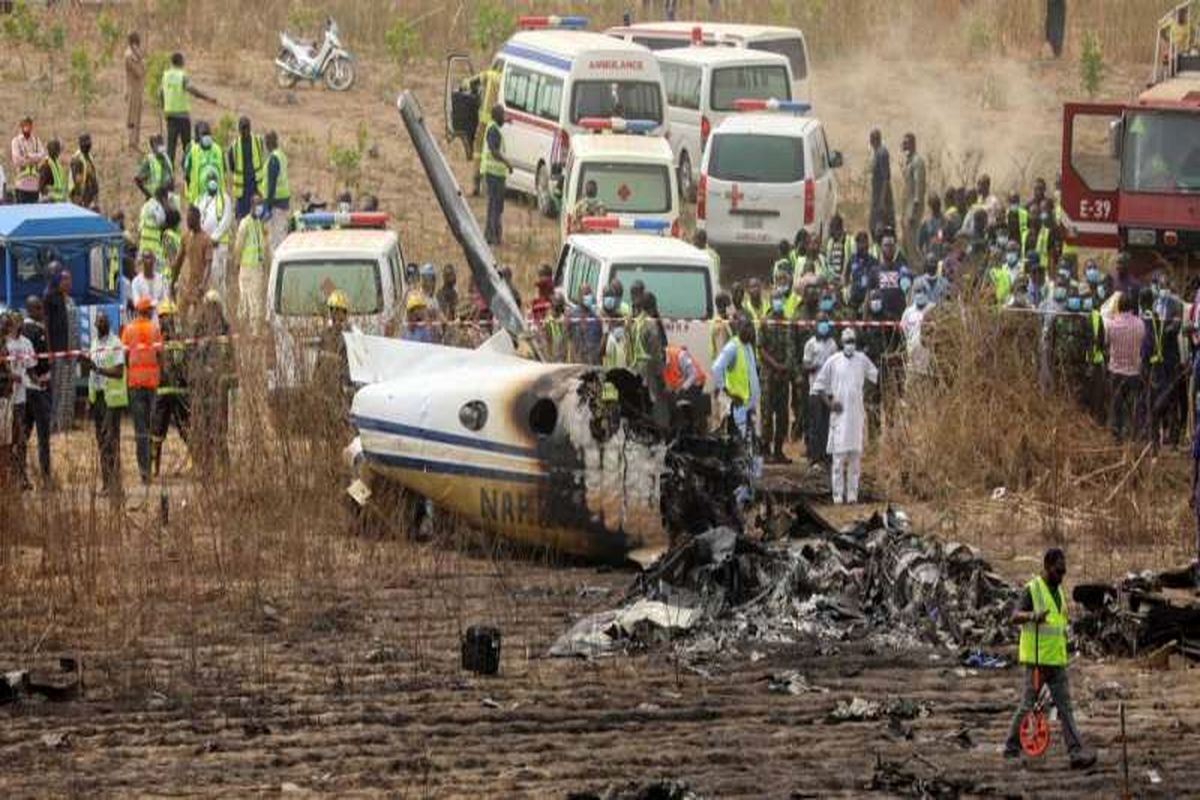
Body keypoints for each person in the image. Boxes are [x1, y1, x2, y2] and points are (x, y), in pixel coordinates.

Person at [1004, 548, 1095, 767]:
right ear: (1047, 567)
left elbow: (1058, 624)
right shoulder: (1032, 589)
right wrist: (1032, 615)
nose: (1061, 576)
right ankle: (1011, 748)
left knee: (1065, 709)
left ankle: (1076, 753)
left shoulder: (1059, 592)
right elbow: (1014, 616)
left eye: (1063, 572)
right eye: (1057, 571)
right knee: (1027, 706)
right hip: (1037, 662)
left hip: (1056, 662)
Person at [813, 328, 879, 505]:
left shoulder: (862, 360)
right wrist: (830, 404)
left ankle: (852, 496)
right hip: (839, 417)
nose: (850, 344)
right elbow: (819, 386)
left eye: (852, 341)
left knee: (855, 459)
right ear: (842, 342)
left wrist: (864, 393)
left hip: (856, 415)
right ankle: (837, 496)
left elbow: (875, 376)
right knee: (838, 459)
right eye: (847, 341)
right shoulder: (833, 362)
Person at [711, 317, 761, 505]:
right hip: (739, 409)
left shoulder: (748, 346)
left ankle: (751, 491)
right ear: (740, 328)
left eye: (752, 327)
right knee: (742, 451)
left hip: (751, 408)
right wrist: (727, 392)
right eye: (747, 326)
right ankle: (740, 497)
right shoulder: (733, 347)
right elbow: (716, 368)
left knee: (754, 450)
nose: (751, 330)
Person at [190, 291, 234, 477]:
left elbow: (231, 356)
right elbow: (191, 354)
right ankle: (205, 468)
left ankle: (224, 468)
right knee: (202, 428)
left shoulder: (225, 328)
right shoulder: (198, 327)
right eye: (210, 306)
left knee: (220, 428)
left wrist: (231, 378)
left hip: (219, 385)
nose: (212, 310)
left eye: (215, 306)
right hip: (202, 384)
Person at [122, 296, 162, 484]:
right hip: (151, 384)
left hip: (135, 385)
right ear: (146, 311)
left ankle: (144, 472)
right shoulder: (155, 329)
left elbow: (124, 355)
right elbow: (160, 354)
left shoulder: (128, 329)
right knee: (150, 426)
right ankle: (150, 467)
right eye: (151, 309)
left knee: (140, 429)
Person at [85, 311, 125, 495]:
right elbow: (92, 374)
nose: (102, 323)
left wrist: (98, 369)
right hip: (98, 398)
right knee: (101, 442)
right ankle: (106, 484)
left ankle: (116, 484)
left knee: (111, 441)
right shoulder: (93, 344)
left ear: (109, 323)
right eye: (99, 321)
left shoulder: (115, 343)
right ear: (94, 324)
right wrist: (89, 399)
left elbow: (119, 372)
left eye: (105, 320)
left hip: (112, 399)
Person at [161, 52, 217, 168]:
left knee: (170, 148)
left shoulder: (165, 76)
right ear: (181, 62)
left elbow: (160, 94)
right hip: (182, 117)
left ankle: (169, 176)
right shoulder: (182, 76)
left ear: (172, 62)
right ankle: (189, 172)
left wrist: (165, 108)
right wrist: (208, 98)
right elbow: (192, 90)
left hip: (170, 116)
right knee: (187, 148)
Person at [1104, 291, 1146, 442]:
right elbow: (1142, 344)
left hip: (1115, 370)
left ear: (1119, 306)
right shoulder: (1140, 324)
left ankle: (1117, 435)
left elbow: (1106, 343)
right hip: (1134, 372)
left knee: (1116, 404)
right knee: (1131, 406)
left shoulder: (1111, 324)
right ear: (1133, 306)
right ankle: (1132, 434)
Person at [760, 289, 793, 463]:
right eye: (775, 299)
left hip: (783, 376)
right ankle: (765, 450)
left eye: (781, 299)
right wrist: (776, 365)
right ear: (771, 301)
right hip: (768, 375)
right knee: (767, 414)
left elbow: (791, 347)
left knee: (782, 415)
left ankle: (779, 451)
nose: (778, 302)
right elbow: (761, 349)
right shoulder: (765, 322)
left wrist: (786, 366)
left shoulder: (787, 322)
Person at [20, 297, 51, 486]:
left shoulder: (20, 332)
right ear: (31, 310)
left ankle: (20, 476)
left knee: (23, 434)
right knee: (43, 436)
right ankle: (46, 478)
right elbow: (42, 362)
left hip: (24, 391)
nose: (42, 312)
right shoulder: (36, 331)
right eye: (39, 308)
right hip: (38, 388)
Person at [43, 266, 78, 433]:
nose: (68, 282)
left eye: (70, 279)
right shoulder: (51, 298)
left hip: (72, 351)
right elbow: (47, 326)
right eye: (65, 279)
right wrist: (50, 351)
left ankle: (67, 421)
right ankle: (55, 424)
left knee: (70, 387)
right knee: (58, 388)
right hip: (59, 350)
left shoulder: (71, 301)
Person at [3, 311, 35, 489]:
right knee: (7, 441)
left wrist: (38, 382)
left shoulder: (26, 343)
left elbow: (30, 368)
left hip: (21, 398)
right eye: (15, 321)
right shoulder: (4, 342)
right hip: (5, 400)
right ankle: (8, 478)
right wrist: (9, 375)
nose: (18, 324)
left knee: (21, 439)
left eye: (20, 321)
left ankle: (21, 476)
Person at [802, 314, 837, 467]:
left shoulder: (832, 344)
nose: (823, 326)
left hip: (829, 390)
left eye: (825, 323)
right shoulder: (810, 344)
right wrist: (814, 366)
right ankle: (814, 457)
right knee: (815, 424)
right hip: (815, 390)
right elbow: (805, 365)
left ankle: (825, 456)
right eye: (820, 322)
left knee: (827, 424)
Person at [195, 167, 233, 301]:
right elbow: (196, 220)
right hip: (204, 247)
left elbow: (226, 221)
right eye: (210, 179)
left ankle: (221, 309)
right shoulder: (200, 200)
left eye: (214, 179)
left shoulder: (225, 199)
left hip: (219, 246)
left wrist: (213, 238)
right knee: (206, 280)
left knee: (218, 280)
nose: (212, 182)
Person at [232, 192, 271, 322]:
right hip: (246, 267)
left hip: (257, 267)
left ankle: (254, 331)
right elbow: (238, 245)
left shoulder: (260, 223)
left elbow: (264, 246)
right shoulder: (245, 223)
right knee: (245, 301)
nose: (260, 207)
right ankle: (244, 328)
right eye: (258, 204)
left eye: (261, 204)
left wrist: (266, 265)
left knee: (256, 301)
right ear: (252, 206)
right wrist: (237, 264)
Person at [171, 206, 214, 317]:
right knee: (180, 316)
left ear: (197, 219)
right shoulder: (185, 238)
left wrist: (203, 285)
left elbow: (208, 265)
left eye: (190, 219)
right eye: (187, 219)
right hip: (186, 285)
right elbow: (179, 261)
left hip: (199, 286)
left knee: (199, 319)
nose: (188, 222)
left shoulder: (206, 239)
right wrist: (173, 281)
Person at [480, 104, 510, 246]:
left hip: (496, 174)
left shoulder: (495, 128)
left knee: (496, 206)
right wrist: (507, 163)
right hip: (494, 174)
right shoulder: (493, 130)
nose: (504, 118)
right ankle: (491, 237)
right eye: (502, 115)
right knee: (494, 206)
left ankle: (492, 235)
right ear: (496, 115)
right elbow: (494, 151)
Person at [227, 116, 265, 220]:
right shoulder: (234, 147)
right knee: (242, 220)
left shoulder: (258, 142)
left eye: (246, 128)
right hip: (242, 191)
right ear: (239, 130)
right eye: (242, 128)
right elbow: (232, 167)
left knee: (258, 218)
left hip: (256, 187)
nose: (245, 131)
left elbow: (263, 159)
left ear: (250, 128)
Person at [182, 121, 225, 205]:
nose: (206, 137)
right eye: (203, 134)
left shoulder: (217, 149)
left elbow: (223, 170)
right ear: (198, 136)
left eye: (208, 134)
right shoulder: (193, 150)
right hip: (197, 196)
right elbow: (186, 171)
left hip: (217, 196)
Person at [900, 132, 927, 264]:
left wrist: (913, 213)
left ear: (913, 144)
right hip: (907, 208)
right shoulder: (908, 161)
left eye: (906, 143)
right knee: (906, 244)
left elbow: (919, 188)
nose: (903, 145)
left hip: (913, 210)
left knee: (913, 246)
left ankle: (921, 269)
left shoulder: (917, 162)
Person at [263, 131, 290, 249]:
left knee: (275, 239)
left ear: (268, 143)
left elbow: (271, 184)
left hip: (275, 203)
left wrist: (267, 206)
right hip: (283, 202)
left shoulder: (273, 158)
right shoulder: (281, 155)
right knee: (281, 234)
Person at [10, 116, 46, 203]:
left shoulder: (36, 140)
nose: (27, 127)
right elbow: (17, 160)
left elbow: (42, 155)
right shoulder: (16, 141)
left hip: (34, 185)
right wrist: (35, 159)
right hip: (21, 185)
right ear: (21, 126)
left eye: (29, 125)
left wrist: (29, 156)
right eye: (25, 125)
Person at [868, 129, 896, 238]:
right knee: (875, 226)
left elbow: (886, 178)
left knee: (879, 227)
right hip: (877, 196)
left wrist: (882, 200)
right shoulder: (876, 152)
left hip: (882, 198)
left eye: (871, 139)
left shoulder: (882, 153)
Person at [567, 283, 602, 365]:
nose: (589, 297)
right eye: (586, 294)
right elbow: (567, 338)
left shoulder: (595, 317)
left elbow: (600, 340)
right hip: (577, 361)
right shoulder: (572, 316)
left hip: (592, 362)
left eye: (589, 294)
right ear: (579, 297)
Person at [132, 249, 170, 318]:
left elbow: (166, 303)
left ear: (154, 260)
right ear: (142, 261)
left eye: (150, 258)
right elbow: (137, 304)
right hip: (143, 322)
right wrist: (156, 304)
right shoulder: (136, 282)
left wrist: (149, 304)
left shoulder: (162, 280)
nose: (148, 261)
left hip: (159, 321)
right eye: (146, 258)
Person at [124, 32, 146, 151]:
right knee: (132, 118)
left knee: (137, 117)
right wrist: (141, 59)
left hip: (137, 90)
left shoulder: (133, 55)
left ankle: (135, 143)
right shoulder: (130, 56)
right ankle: (132, 143)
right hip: (133, 90)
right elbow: (140, 72)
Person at [67, 133, 99, 209]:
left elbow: (92, 175)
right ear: (81, 145)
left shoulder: (89, 156)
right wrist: (79, 199)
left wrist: (95, 192)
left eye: (89, 143)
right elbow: (77, 181)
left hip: (89, 195)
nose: (88, 146)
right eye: (86, 144)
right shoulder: (77, 159)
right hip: (80, 197)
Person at [38, 138, 67, 203]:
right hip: (50, 202)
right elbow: (41, 186)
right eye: (55, 149)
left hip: (59, 201)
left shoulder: (58, 165)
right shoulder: (46, 165)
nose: (57, 152)